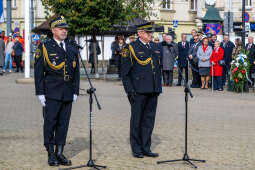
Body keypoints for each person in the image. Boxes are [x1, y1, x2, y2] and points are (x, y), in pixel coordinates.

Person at [34, 16, 80, 167]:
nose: (64, 31)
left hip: (67, 92)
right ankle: (51, 153)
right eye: (61, 29)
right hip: (51, 92)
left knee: (63, 124)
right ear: (53, 30)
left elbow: (77, 71)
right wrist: (40, 93)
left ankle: (60, 152)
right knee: (50, 123)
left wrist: (75, 91)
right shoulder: (45, 47)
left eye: (65, 29)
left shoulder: (72, 47)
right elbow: (39, 72)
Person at [121, 22, 162, 158]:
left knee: (149, 121)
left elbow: (156, 69)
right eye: (148, 32)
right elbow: (125, 73)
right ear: (139, 33)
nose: (151, 34)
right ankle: (136, 148)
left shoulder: (155, 47)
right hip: (138, 91)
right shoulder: (131, 48)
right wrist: (129, 91)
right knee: (137, 121)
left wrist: (158, 87)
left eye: (151, 32)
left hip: (153, 90)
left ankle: (146, 147)